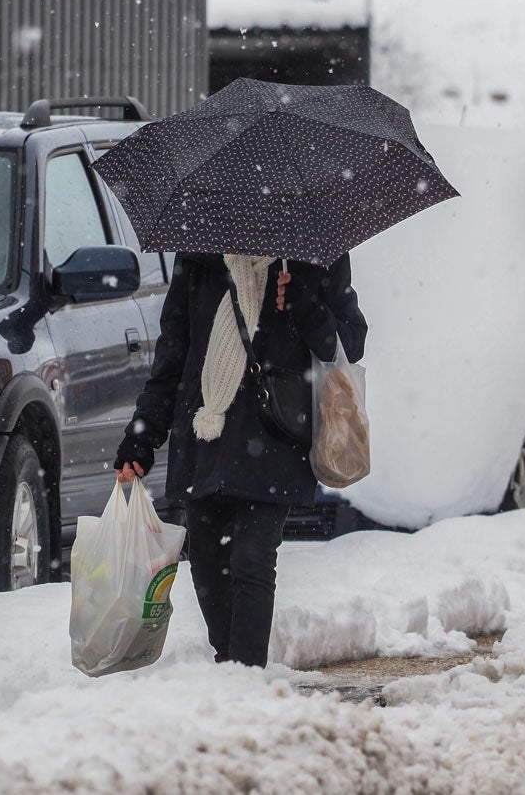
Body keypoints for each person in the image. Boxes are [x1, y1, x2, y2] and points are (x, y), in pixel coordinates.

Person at [114, 252, 367, 668]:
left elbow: (350, 344)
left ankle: (244, 675)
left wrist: (304, 302)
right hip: (205, 428)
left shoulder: (310, 258)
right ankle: (228, 664)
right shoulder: (200, 252)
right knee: (209, 559)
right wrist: (142, 436)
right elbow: (173, 355)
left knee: (251, 558)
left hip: (276, 433)